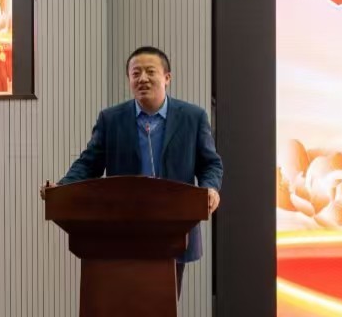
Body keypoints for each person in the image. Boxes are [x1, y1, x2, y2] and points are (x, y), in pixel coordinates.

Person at [40, 46, 223, 297]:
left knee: (162, 312)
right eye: (136, 73)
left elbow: (211, 163)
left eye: (150, 72)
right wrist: (62, 189)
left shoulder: (193, 117)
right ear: (129, 79)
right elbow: (89, 163)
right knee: (123, 309)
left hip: (174, 230)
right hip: (122, 231)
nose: (142, 79)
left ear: (167, 78)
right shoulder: (111, 119)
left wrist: (210, 189)